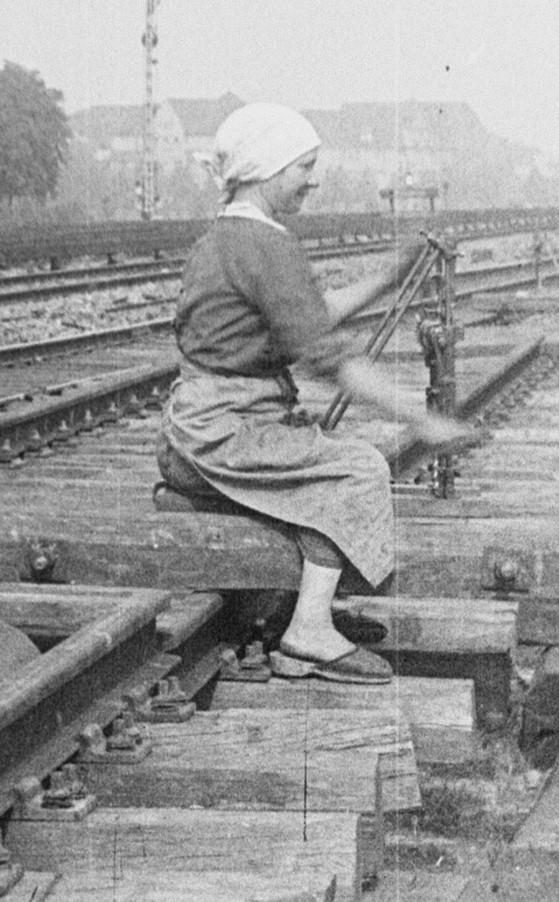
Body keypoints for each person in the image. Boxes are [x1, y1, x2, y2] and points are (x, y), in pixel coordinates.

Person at [157, 103, 474, 684]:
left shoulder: (223, 239)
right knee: (357, 470)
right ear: (269, 168)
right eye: (304, 166)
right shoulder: (266, 246)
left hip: (196, 426)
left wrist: (387, 277)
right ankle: (308, 630)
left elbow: (309, 315)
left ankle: (302, 603)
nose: (313, 179)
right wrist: (422, 419)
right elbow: (331, 359)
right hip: (226, 433)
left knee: (323, 458)